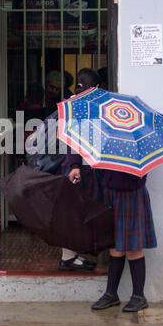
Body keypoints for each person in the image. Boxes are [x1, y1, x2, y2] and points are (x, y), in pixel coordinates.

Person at [58, 68, 104, 271]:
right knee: (76, 212)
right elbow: (75, 140)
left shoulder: (70, 104)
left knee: (73, 211)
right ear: (96, 87)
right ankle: (69, 257)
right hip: (78, 168)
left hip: (72, 166)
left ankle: (71, 254)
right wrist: (75, 165)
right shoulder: (81, 106)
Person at [90, 170, 157, 312]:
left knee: (133, 246)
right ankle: (111, 294)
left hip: (132, 191)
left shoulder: (138, 148)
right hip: (110, 191)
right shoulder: (108, 147)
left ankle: (139, 296)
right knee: (114, 246)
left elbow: (141, 171)